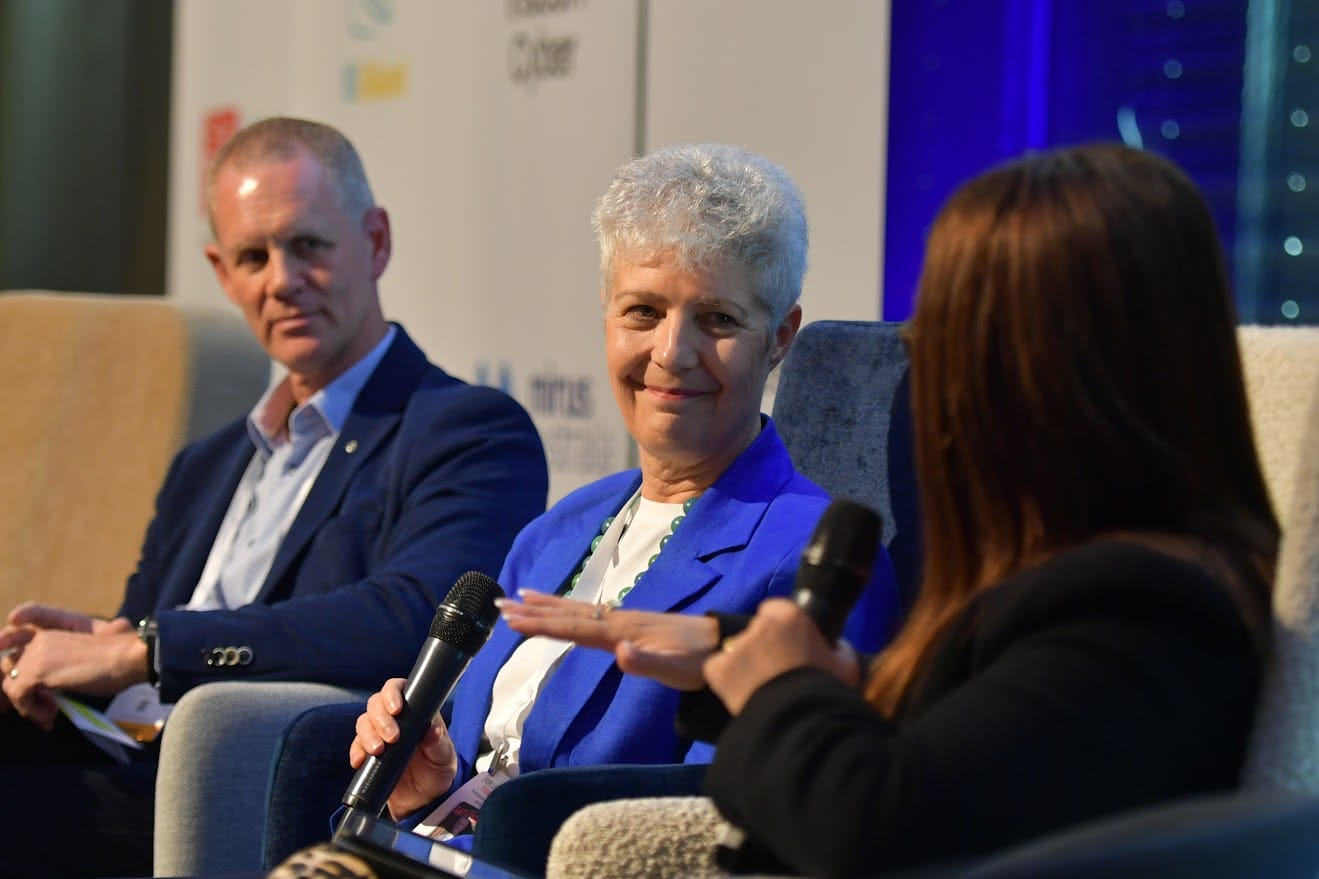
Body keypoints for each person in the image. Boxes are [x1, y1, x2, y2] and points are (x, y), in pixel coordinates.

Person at [504, 144, 1279, 877]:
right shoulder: (1105, 591)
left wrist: (776, 688)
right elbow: (977, 744)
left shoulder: (1138, 606)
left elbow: (866, 822)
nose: (929, 369)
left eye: (956, 332)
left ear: (1066, 371)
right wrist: (755, 659)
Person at [0, 117, 548, 878]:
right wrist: (91, 649)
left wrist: (149, 648)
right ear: (222, 273)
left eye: (308, 245)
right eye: (252, 257)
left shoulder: (468, 429)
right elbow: (146, 642)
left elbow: (414, 616)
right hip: (122, 762)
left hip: (262, 788)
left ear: (376, 242)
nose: (281, 280)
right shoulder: (206, 464)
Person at [348, 144, 901, 870]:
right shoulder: (558, 529)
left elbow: (718, 829)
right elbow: (495, 771)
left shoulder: (810, 560)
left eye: (717, 319)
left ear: (779, 340)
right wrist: (430, 787)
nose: (671, 352)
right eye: (643, 311)